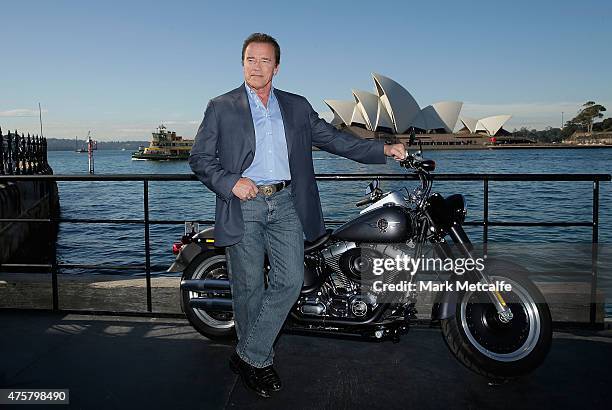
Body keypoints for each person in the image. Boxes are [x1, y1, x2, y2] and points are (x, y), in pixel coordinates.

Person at [188, 32, 406, 398]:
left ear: (277, 66)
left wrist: (382, 148)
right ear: (242, 63)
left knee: (289, 281)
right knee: (248, 287)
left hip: (287, 202)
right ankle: (260, 361)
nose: (257, 67)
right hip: (244, 202)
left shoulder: (296, 106)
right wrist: (230, 181)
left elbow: (335, 139)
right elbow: (200, 159)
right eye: (250, 60)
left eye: (264, 60)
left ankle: (247, 356)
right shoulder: (221, 106)